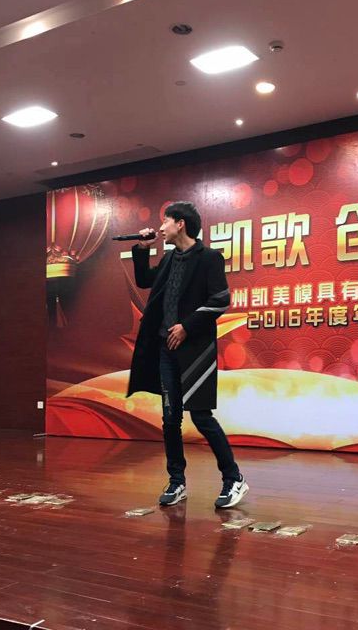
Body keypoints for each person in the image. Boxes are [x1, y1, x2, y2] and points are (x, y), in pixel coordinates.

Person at [127, 201, 249, 508]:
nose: (161, 227)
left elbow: (220, 300)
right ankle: (177, 481)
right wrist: (142, 249)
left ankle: (233, 478)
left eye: (165, 221)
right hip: (165, 350)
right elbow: (145, 281)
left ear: (180, 223)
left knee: (201, 416)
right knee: (170, 419)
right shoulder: (170, 258)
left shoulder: (209, 258)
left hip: (195, 350)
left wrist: (187, 327)